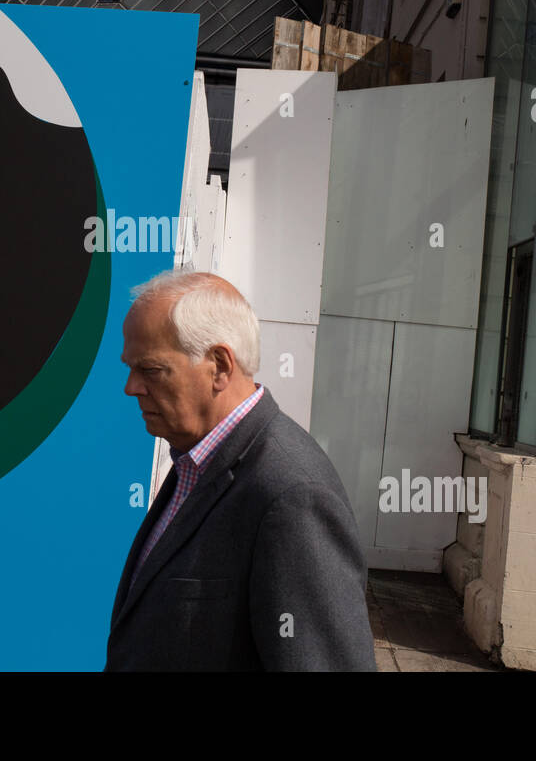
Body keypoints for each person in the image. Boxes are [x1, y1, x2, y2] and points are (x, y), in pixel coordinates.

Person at [105, 269, 377, 671]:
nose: (131, 387)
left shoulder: (292, 494)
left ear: (218, 365)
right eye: (131, 368)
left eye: (150, 370)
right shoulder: (196, 458)